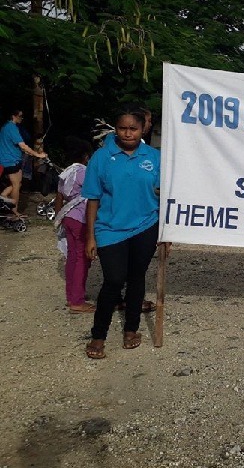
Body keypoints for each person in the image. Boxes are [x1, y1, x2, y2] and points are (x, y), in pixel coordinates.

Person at [83, 105, 163, 359]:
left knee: (137, 278)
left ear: (143, 129)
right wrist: (90, 236)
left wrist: (166, 233)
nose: (128, 133)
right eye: (122, 128)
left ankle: (131, 329)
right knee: (114, 280)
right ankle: (98, 335)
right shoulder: (101, 157)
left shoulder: (154, 157)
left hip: (145, 226)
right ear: (115, 129)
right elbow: (92, 199)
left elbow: (166, 194)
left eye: (133, 129)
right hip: (110, 229)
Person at [54, 137, 95, 313]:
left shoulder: (66, 172)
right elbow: (93, 196)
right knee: (81, 259)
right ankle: (77, 301)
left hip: (68, 216)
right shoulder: (85, 172)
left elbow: (59, 197)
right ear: (86, 156)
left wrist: (58, 217)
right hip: (81, 217)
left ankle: (73, 295)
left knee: (72, 257)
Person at [0, 108, 47, 216]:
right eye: (20, 116)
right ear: (14, 116)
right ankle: (14, 213)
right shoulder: (11, 128)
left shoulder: (6, 127)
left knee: (17, 184)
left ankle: (3, 197)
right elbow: (22, 145)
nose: (22, 118)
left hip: (9, 160)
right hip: (11, 161)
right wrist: (38, 155)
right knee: (16, 185)